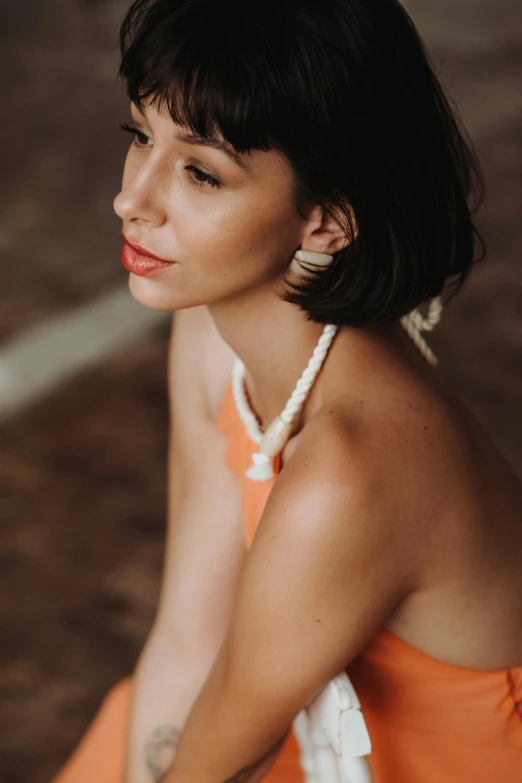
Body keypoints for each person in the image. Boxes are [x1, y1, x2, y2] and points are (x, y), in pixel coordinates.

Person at [50, 0, 522, 781]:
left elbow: (216, 764)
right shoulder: (209, 331)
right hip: (293, 728)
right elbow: (189, 636)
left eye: (201, 172)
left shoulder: (352, 469)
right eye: (142, 136)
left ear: (328, 223)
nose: (131, 199)